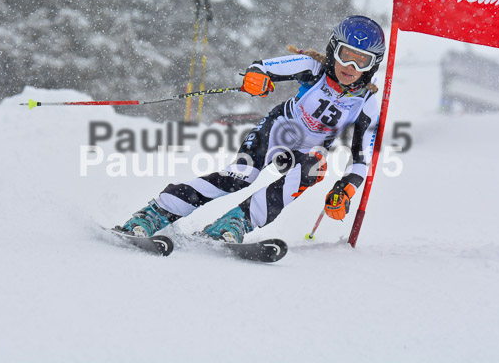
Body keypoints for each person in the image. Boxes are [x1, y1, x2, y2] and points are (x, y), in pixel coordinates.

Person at [115, 15, 385, 243]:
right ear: (333, 50)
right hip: (278, 130)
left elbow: (362, 159)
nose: (350, 67)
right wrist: (256, 77)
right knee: (241, 176)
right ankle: (158, 211)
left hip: (309, 151)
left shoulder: (367, 102)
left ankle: (236, 223)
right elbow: (263, 67)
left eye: (361, 61)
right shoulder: (313, 68)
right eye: (345, 56)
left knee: (315, 168)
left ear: (373, 65)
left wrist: (345, 189)